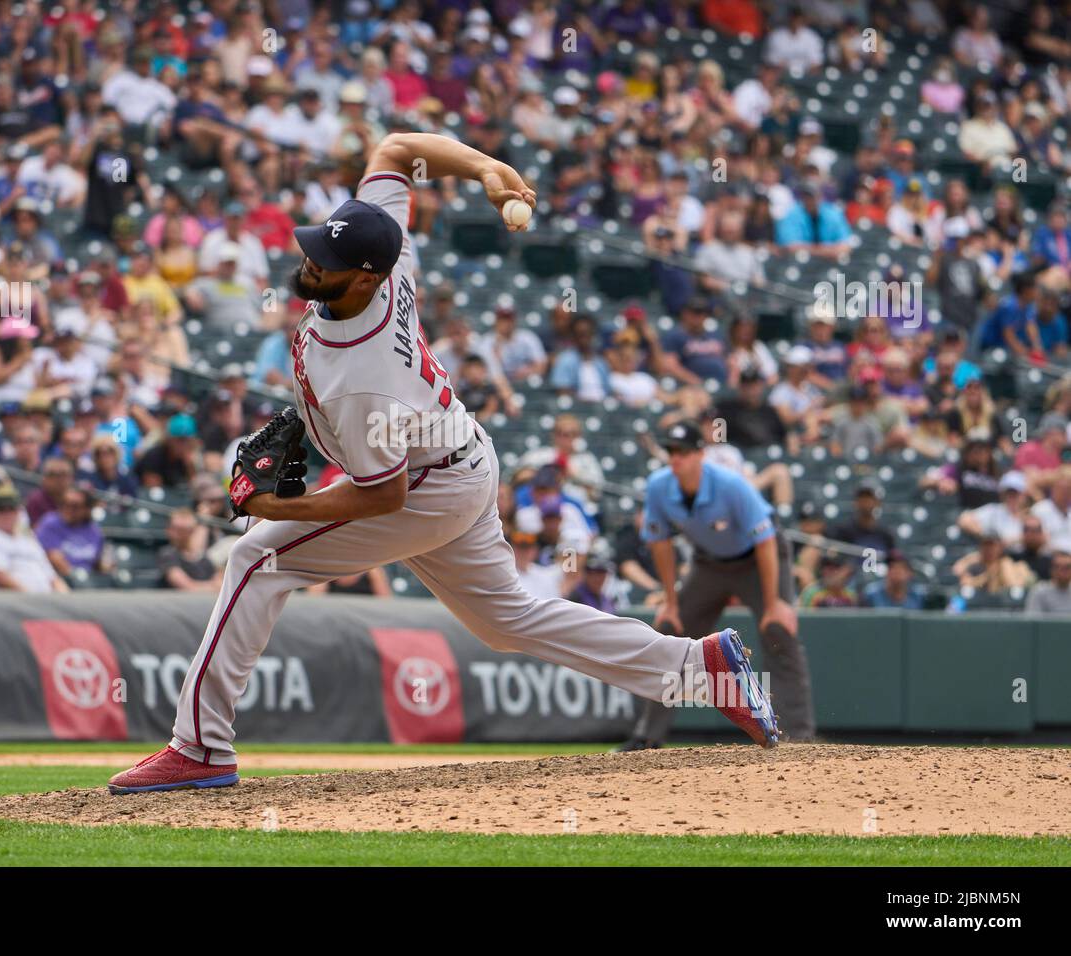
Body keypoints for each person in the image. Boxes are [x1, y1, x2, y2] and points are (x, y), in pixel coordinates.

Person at [109, 132, 780, 794]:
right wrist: (486, 166)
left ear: (364, 275)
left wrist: (278, 509)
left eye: (324, 259)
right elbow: (399, 149)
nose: (309, 262)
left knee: (256, 558)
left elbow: (381, 499)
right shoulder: (384, 254)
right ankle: (700, 668)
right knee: (506, 621)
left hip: (422, 486)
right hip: (452, 455)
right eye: (316, 246)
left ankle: (199, 747)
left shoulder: (367, 375)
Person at [616, 421, 813, 753]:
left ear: (700, 454)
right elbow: (659, 542)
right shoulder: (659, 486)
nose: (675, 458)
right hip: (709, 563)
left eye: (683, 452)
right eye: (671, 452)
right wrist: (671, 601)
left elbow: (765, 540)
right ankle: (647, 737)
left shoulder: (730, 484)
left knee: (778, 630)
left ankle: (799, 738)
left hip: (759, 557)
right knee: (668, 631)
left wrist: (775, 602)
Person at [0, 487, 68, 593]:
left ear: (18, 512)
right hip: (17, 599)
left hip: (47, 599)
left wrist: (65, 597)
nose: (7, 514)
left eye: (11, 509)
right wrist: (30, 596)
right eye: (1, 510)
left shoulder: (29, 541)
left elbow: (52, 577)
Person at [159, 508, 220, 591]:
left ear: (192, 531)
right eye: (174, 528)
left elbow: (220, 583)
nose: (176, 534)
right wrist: (213, 587)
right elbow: (187, 587)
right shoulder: (168, 554)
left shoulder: (203, 558)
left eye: (182, 530)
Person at [862, 550, 927, 610]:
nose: (895, 572)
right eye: (891, 568)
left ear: (909, 573)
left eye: (900, 568)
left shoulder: (919, 596)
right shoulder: (872, 595)